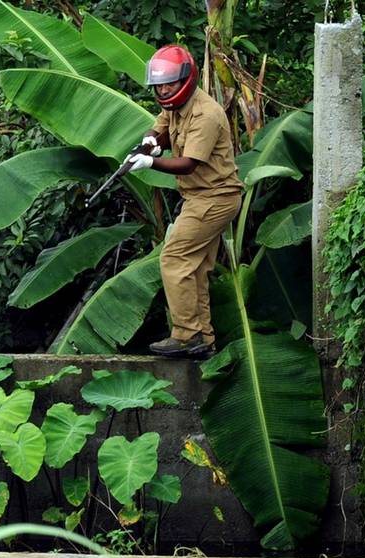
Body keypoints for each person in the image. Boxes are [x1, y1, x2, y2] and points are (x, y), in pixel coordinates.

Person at [125, 44, 245, 358]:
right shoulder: (175, 105)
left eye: (170, 84)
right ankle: (203, 339)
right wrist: (151, 141)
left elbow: (189, 163)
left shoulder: (206, 113)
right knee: (195, 268)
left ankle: (186, 335)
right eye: (159, 85)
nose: (164, 90)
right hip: (199, 197)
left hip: (215, 198)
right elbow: (162, 126)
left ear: (186, 80)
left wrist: (150, 163)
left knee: (174, 258)